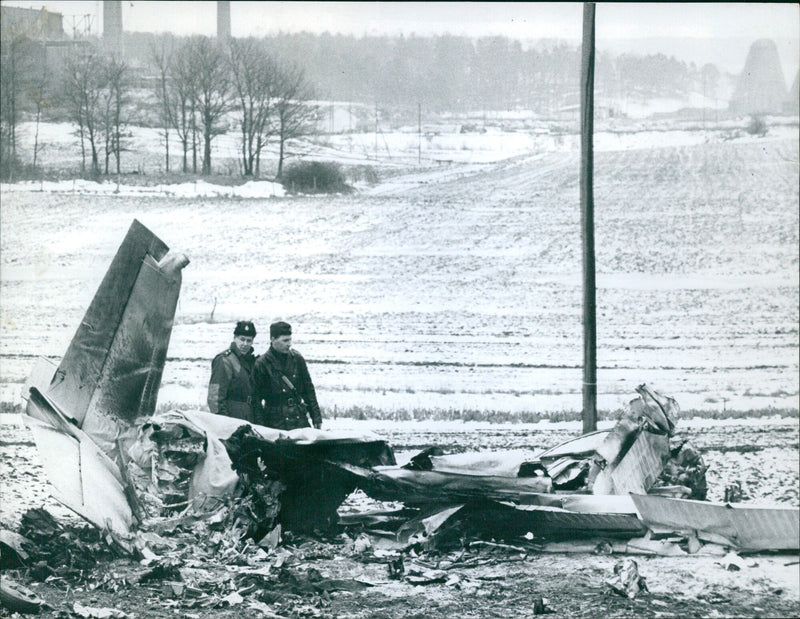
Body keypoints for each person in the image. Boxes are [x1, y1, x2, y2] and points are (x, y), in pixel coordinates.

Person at [252, 321, 322, 430]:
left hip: (299, 418)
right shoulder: (262, 364)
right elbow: (256, 401)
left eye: (290, 339)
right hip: (274, 422)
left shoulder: (297, 359)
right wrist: (261, 429)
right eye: (285, 340)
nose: (289, 344)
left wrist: (316, 417)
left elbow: (309, 390)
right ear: (273, 339)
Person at [207, 320, 257, 422]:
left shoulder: (250, 362)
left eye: (249, 341)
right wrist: (224, 422)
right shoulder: (225, 360)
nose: (245, 344)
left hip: (248, 417)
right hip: (231, 418)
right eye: (242, 339)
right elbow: (215, 398)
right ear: (235, 338)